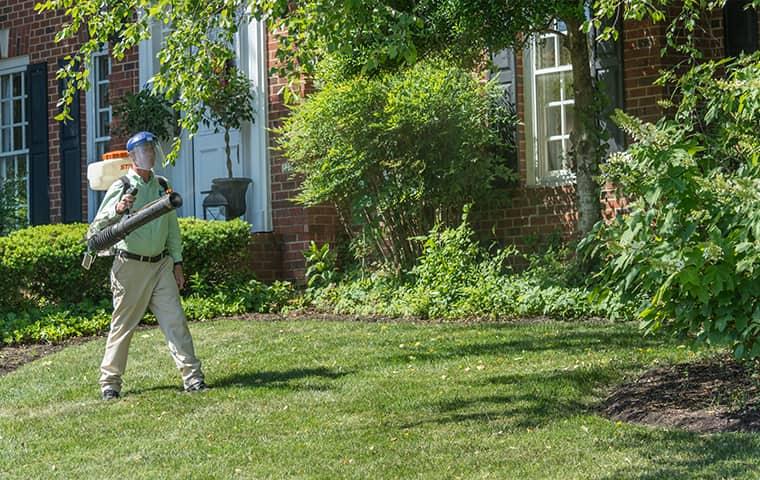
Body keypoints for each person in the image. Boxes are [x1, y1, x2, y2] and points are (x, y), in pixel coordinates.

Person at [88, 131, 207, 400]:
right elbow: (96, 229)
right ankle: (110, 383)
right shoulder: (121, 186)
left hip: (161, 265)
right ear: (132, 156)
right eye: (145, 150)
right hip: (130, 266)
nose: (150, 153)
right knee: (123, 326)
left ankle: (193, 378)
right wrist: (117, 209)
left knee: (175, 321)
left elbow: (172, 229)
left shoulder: (162, 184)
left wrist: (177, 262)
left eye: (152, 148)